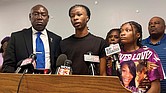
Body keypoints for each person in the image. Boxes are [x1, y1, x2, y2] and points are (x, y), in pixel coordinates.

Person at [2, 4, 62, 74]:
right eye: (36, 14)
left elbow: (57, 65)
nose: (40, 17)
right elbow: (8, 65)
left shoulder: (56, 39)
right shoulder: (17, 37)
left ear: (48, 18)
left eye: (43, 15)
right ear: (30, 17)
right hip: (23, 80)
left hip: (49, 80)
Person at [60, 4, 107, 75]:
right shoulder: (63, 43)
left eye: (79, 15)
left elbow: (103, 73)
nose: (75, 18)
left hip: (92, 84)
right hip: (69, 84)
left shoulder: (99, 42)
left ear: (87, 18)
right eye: (72, 16)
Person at [119, 21, 164, 93]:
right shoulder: (115, 55)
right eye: (121, 31)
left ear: (138, 35)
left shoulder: (148, 53)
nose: (122, 34)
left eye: (128, 30)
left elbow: (156, 87)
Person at [142, 16, 166, 93]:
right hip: (148, 89)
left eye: (156, 23)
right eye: (150, 24)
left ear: (164, 27)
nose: (152, 25)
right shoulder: (141, 45)